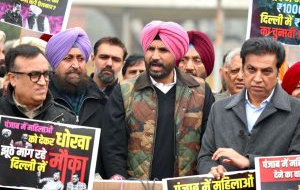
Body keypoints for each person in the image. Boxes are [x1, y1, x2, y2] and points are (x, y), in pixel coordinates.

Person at [102, 20, 214, 180]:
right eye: (150, 49)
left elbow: (208, 144)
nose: (155, 56)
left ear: (176, 54)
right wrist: (118, 178)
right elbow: (112, 146)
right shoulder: (125, 90)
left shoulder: (200, 91)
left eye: (163, 50)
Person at [197, 37, 300, 179]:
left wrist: (249, 162)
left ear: (277, 73)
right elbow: (204, 157)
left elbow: (295, 166)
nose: (257, 78)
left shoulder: (296, 111)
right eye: (251, 69)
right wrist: (212, 169)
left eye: (266, 71)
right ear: (243, 69)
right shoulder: (219, 109)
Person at [45, 27, 106, 177]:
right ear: (54, 62)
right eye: (68, 58)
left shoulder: (102, 101)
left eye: (80, 59)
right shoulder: (41, 99)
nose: (76, 65)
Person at [0, 44, 75, 123]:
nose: (42, 82)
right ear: (13, 79)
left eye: (46, 74)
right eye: (34, 75)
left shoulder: (65, 119)